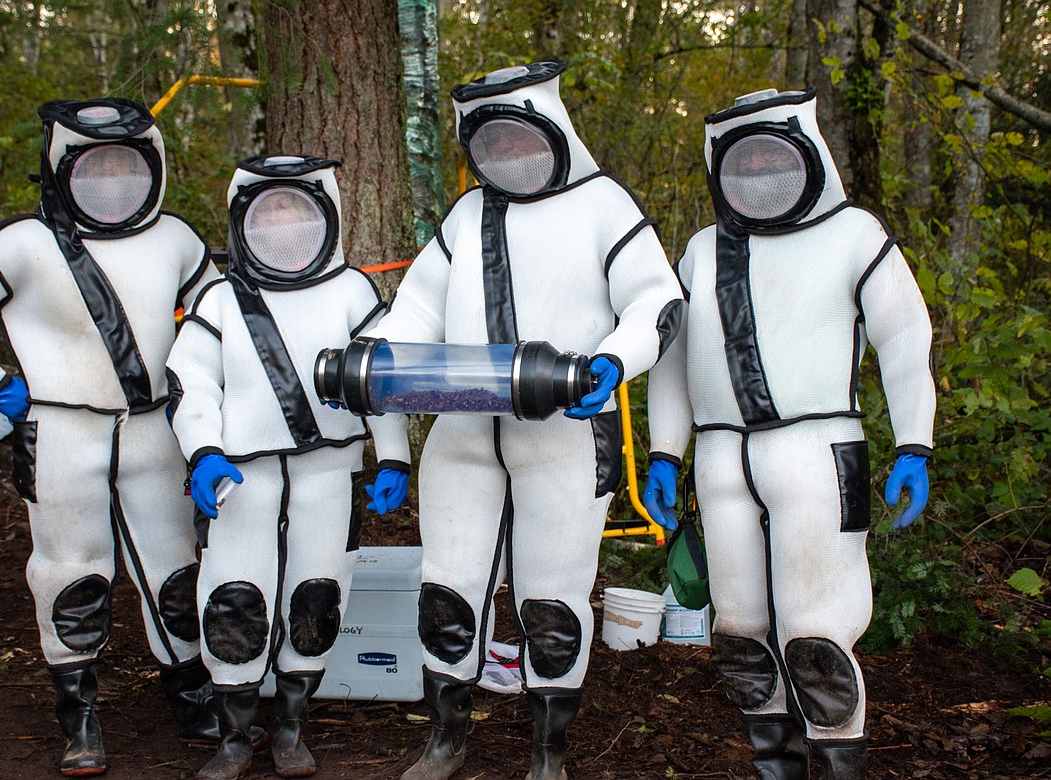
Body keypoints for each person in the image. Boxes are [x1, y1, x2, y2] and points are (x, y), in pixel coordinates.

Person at [363, 60, 684, 780]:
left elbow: (657, 303)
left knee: (553, 597)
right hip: (464, 429)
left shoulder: (605, 206)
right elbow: (413, 311)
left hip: (567, 435)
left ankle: (549, 752)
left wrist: (611, 360)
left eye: (518, 139)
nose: (506, 156)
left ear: (552, 129)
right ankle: (446, 737)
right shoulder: (466, 215)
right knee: (446, 590)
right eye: (491, 146)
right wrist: (379, 372)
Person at [0, 98, 234, 777]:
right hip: (62, 430)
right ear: (61, 165)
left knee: (174, 569)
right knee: (70, 571)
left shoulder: (176, 238)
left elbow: (220, 319)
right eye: (96, 164)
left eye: (127, 162)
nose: (113, 178)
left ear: (153, 163)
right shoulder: (23, 245)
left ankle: (191, 693)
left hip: (155, 430)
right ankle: (80, 715)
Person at [644, 88, 936, 779]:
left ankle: (836, 766)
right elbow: (674, 358)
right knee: (740, 638)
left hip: (817, 450)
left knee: (816, 638)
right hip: (721, 457)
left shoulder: (854, 236)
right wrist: (664, 451)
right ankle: (774, 765)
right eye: (745, 161)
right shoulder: (700, 251)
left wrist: (915, 443)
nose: (760, 174)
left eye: (774, 156)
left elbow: (904, 337)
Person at [166, 155, 411, 780]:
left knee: (317, 596)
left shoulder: (353, 291)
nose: (281, 222)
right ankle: (235, 738)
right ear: (241, 218)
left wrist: (393, 457)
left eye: (294, 209)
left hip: (330, 472)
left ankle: (292, 729)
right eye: (267, 209)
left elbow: (377, 380)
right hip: (239, 479)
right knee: (232, 600)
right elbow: (191, 382)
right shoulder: (220, 299)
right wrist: (203, 450)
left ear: (323, 215)